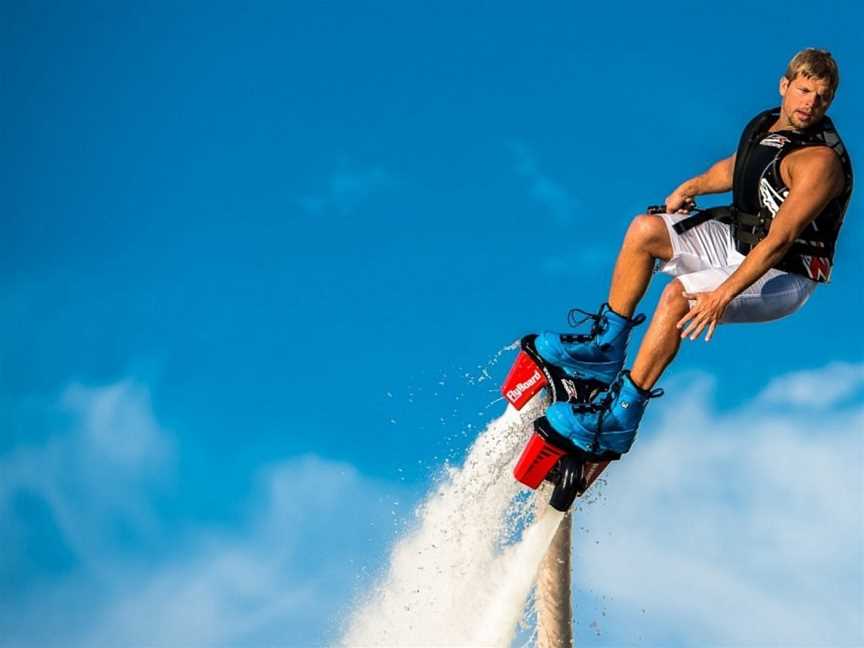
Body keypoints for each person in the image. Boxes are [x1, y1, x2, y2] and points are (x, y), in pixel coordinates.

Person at [534, 48, 853, 457]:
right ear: (785, 86)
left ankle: (616, 420)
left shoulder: (819, 161)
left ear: (830, 102)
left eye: (822, 97)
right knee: (644, 230)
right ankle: (604, 349)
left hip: (785, 273)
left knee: (678, 295)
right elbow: (741, 166)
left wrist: (722, 295)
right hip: (741, 243)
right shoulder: (767, 124)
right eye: (804, 90)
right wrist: (692, 186)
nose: (810, 103)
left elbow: (780, 240)